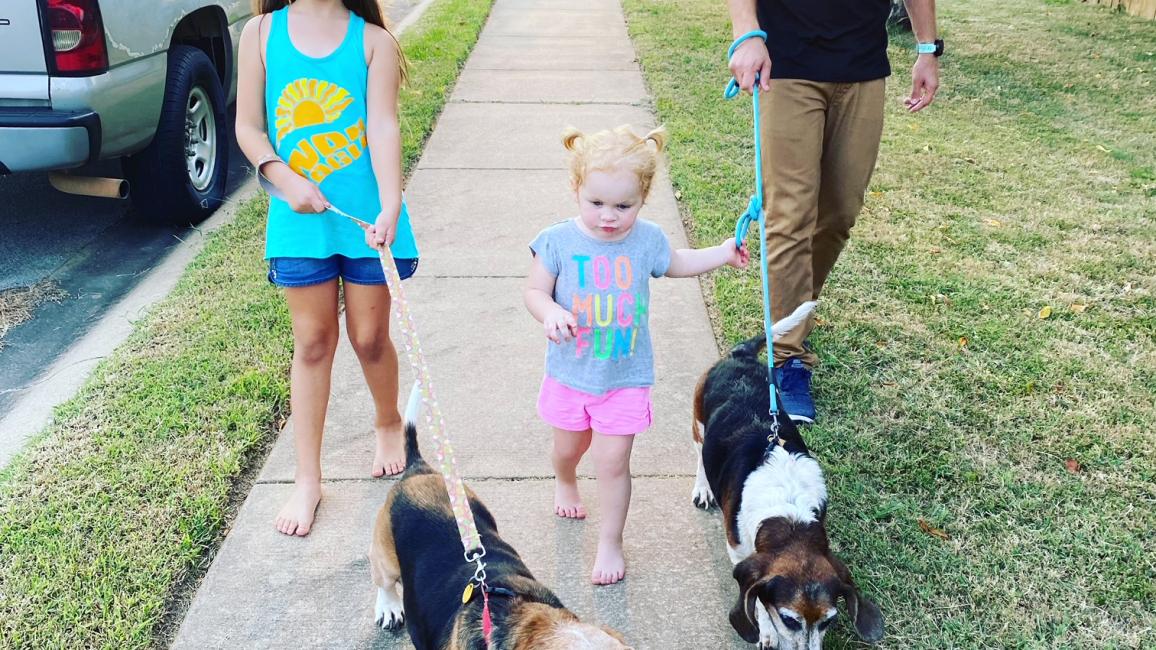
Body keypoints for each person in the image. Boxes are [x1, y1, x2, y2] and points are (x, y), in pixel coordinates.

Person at [524, 126, 750, 584]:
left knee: (612, 463)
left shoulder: (645, 240)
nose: (608, 216)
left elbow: (678, 263)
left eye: (623, 206)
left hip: (625, 377)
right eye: (597, 203)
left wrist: (722, 253)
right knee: (568, 449)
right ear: (576, 189)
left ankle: (610, 541)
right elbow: (533, 290)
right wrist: (549, 312)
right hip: (570, 373)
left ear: (643, 197)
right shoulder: (556, 241)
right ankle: (565, 479)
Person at [235, 0, 418, 536]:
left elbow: (383, 126)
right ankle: (307, 478)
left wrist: (390, 204)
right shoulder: (261, 34)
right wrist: (284, 179)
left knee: (369, 337)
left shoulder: (373, 43)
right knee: (313, 342)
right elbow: (249, 127)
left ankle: (388, 421)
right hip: (299, 224)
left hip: (364, 220)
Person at [727, 0, 942, 422]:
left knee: (840, 213)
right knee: (790, 216)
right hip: (786, 63)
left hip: (862, 65)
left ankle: (796, 309)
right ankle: (786, 358)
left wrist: (927, 49)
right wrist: (747, 31)